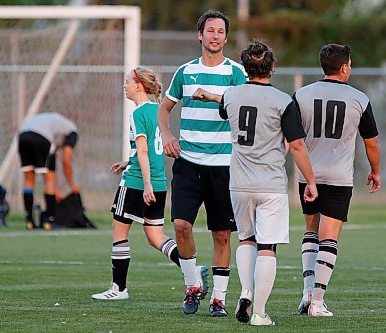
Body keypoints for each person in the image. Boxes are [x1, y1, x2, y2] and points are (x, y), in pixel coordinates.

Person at [217, 41, 318, 326]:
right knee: (267, 246)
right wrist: (310, 181)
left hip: (238, 182)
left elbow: (225, 109)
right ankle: (259, 312)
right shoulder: (282, 100)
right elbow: (296, 145)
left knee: (246, 239)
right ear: (272, 67)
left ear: (244, 66)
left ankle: (246, 289)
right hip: (270, 183)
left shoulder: (231, 95)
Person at [158, 10, 247, 316]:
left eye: (220, 31)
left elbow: (244, 109)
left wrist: (213, 97)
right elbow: (164, 108)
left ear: (226, 36)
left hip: (225, 165)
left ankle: (219, 299)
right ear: (200, 35)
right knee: (181, 225)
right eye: (210, 31)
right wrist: (167, 134)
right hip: (189, 162)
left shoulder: (237, 73)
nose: (215, 36)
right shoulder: (184, 72)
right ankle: (193, 285)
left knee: (222, 234)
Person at [294, 44, 381, 317]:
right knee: (329, 237)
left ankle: (308, 294)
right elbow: (372, 143)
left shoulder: (301, 95)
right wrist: (375, 171)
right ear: (344, 67)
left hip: (306, 175)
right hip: (338, 177)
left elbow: (291, 138)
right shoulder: (359, 98)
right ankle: (317, 302)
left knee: (311, 232)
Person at [92, 67, 182, 301]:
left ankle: (119, 288)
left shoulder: (138, 113)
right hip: (159, 182)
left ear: (139, 85)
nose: (125, 85)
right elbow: (150, 150)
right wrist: (128, 161)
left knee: (119, 231)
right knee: (155, 236)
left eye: (128, 81)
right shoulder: (159, 111)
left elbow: (143, 150)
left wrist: (145, 184)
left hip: (137, 183)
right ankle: (191, 270)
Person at [18, 112, 79, 230]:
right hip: (41, 138)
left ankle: (29, 220)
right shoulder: (73, 131)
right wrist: (72, 185)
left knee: (29, 180)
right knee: (49, 180)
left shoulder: (53, 123)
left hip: (22, 136)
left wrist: (57, 191)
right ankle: (49, 220)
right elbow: (66, 160)